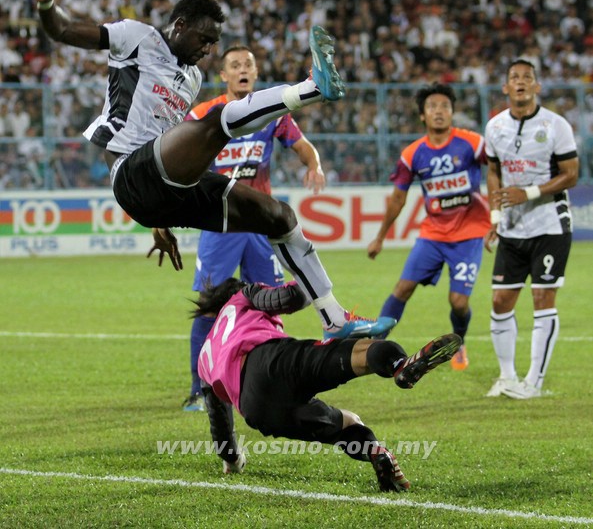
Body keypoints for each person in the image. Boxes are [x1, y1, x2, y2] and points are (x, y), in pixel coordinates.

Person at [27, 0, 393, 341]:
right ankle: (311, 88)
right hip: (129, 171)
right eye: (203, 38)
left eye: (213, 42)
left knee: (278, 216)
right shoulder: (138, 37)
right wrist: (47, 5)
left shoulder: (193, 78)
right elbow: (65, 30)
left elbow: (172, 146)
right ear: (180, 25)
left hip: (166, 187)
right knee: (216, 121)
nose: (207, 49)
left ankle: (334, 318)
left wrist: (159, 220)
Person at [196, 277, 462, 489]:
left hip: (255, 409)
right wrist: (306, 276)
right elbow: (291, 297)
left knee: (343, 424)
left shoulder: (205, 357)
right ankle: (399, 365)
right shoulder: (243, 296)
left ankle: (378, 453)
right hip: (271, 362)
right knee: (360, 352)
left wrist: (232, 459)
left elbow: (219, 423)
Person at [183, 45, 326, 411]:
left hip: (262, 225)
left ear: (256, 73)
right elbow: (181, 161)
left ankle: (272, 376)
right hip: (221, 222)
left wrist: (315, 165)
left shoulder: (271, 112)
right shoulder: (204, 115)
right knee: (208, 303)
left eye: (248, 64)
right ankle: (200, 389)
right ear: (224, 76)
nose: (242, 69)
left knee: (272, 303)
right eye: (235, 65)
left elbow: (303, 145)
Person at [367, 83, 491, 371]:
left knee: (459, 302)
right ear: (422, 115)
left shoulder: (473, 143)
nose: (439, 111)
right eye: (432, 107)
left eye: (444, 106)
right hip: (433, 235)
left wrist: (497, 214)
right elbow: (398, 198)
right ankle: (374, 346)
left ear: (452, 112)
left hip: (469, 234)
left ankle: (459, 343)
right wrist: (380, 237)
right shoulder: (412, 154)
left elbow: (496, 167)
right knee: (403, 288)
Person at [484, 59, 579, 399]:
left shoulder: (556, 125)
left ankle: (534, 383)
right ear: (506, 88)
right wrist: (495, 219)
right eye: (514, 77)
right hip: (511, 228)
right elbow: (493, 172)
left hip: (549, 224)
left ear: (537, 87)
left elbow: (572, 173)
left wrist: (531, 192)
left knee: (543, 297)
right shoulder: (494, 127)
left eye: (527, 77)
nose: (521, 81)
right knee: (500, 301)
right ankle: (507, 377)